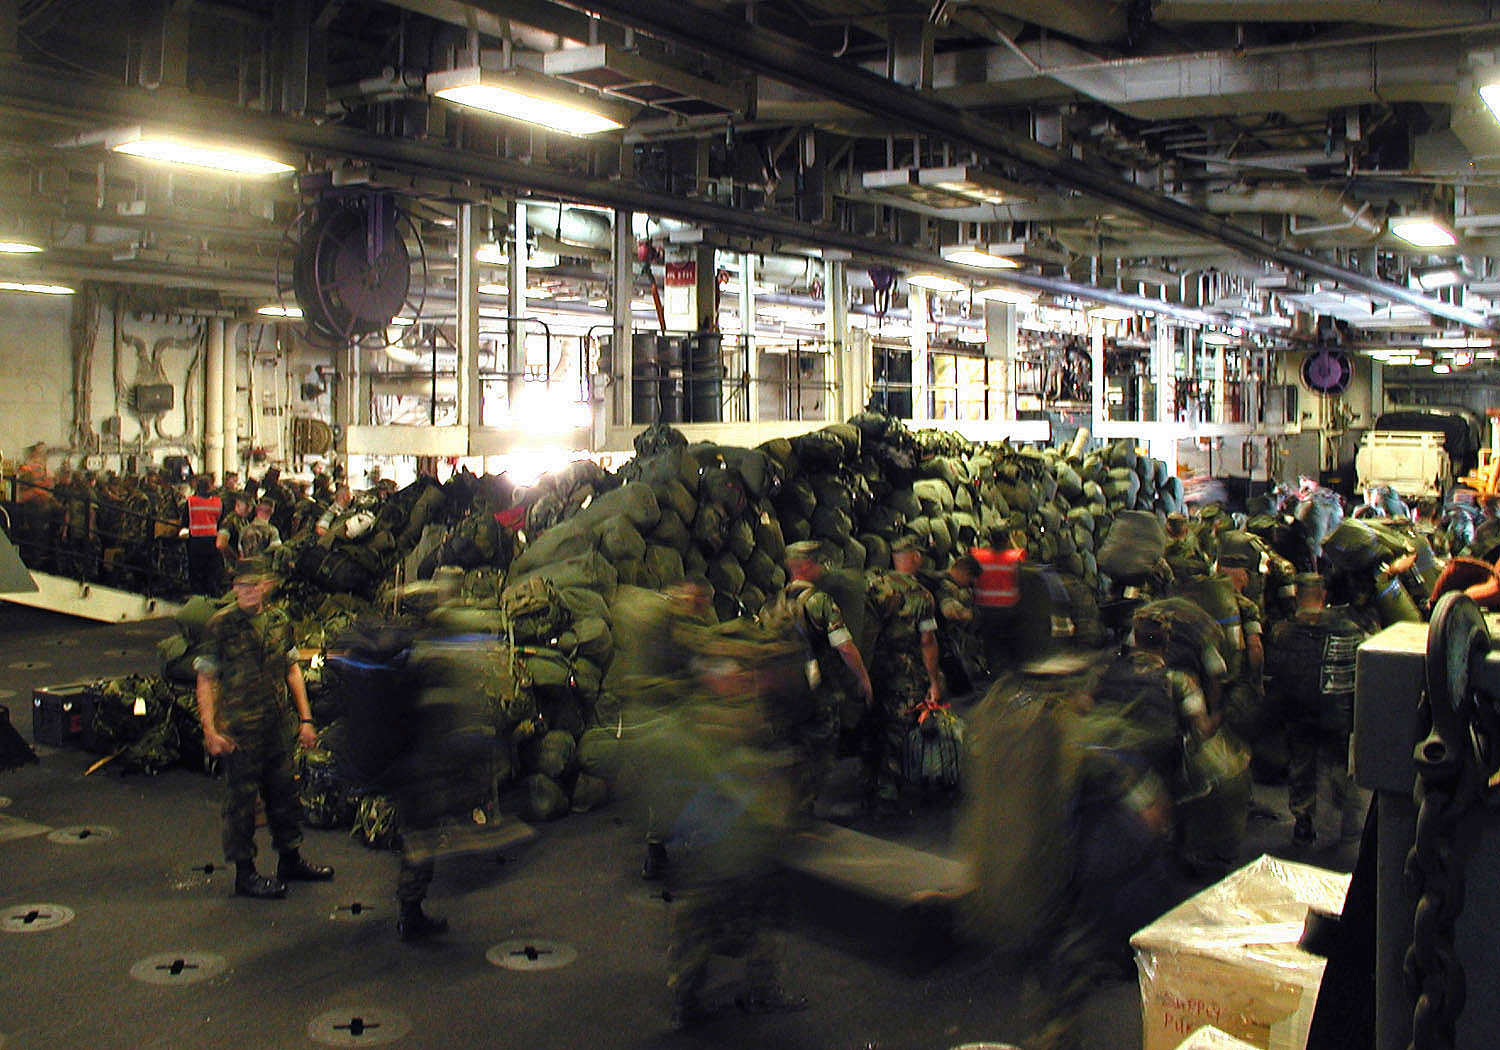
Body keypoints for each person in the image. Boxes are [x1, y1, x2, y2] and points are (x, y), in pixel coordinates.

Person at [194, 557, 333, 898]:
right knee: (241, 804)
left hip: (276, 726)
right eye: (240, 585)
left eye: (253, 585)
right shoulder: (221, 625)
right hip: (239, 731)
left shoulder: (278, 620)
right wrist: (210, 730)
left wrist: (306, 719)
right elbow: (206, 678)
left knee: (284, 795)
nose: (246, 591)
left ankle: (290, 858)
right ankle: (245, 873)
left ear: (267, 586)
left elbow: (292, 669)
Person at [758, 540, 874, 809]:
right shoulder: (821, 602)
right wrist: (863, 678)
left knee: (791, 747)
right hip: (818, 693)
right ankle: (803, 807)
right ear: (807, 565)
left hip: (785, 692)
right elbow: (845, 646)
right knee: (820, 751)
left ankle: (784, 803)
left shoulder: (772, 604)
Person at [1267, 574, 1369, 846]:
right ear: (1323, 595)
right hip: (1336, 712)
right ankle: (1348, 822)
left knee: (1302, 765)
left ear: (1297, 594)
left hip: (1298, 713)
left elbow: (1275, 674)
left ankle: (1303, 821)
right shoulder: (1348, 629)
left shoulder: (1282, 631)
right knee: (1339, 764)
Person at [865, 534, 943, 806]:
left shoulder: (874, 585)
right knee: (898, 732)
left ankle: (869, 788)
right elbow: (927, 640)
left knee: (873, 727)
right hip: (904, 674)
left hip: (872, 670)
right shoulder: (921, 595)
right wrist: (933, 681)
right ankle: (889, 794)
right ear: (915, 557)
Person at [971, 529, 1025, 673]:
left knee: (991, 644)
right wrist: (1012, 541)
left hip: (985, 610)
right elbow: (1025, 560)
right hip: (1009, 610)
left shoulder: (979, 556)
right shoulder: (1014, 557)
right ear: (1006, 540)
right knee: (1009, 644)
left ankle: (995, 673)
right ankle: (1011, 673)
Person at [184, 476, 223, 595]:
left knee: (196, 573)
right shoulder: (218, 502)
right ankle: (212, 597)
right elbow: (221, 521)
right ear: (210, 487)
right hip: (213, 542)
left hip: (195, 542)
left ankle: (198, 597)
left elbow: (185, 521)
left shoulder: (191, 502)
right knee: (211, 573)